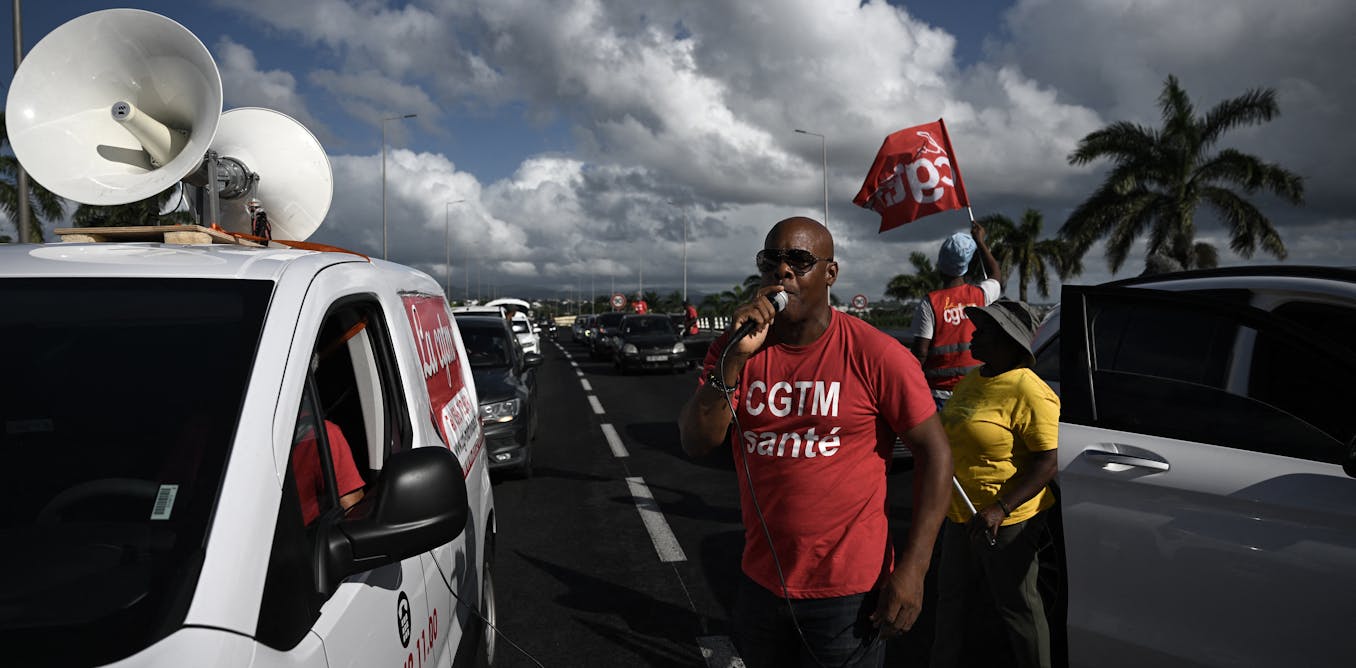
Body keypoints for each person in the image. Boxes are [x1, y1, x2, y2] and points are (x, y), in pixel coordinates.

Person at [678, 216, 953, 667]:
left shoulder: (876, 354)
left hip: (849, 594)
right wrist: (734, 358)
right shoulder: (738, 349)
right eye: (772, 260)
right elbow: (696, 442)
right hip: (760, 582)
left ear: (830, 274)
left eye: (799, 260)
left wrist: (915, 568)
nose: (782, 271)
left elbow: (935, 452)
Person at [930, 299, 1060, 668]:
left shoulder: (1029, 390)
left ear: (1008, 341)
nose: (973, 335)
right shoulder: (974, 379)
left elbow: (1046, 462)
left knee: (1017, 607)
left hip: (1006, 521)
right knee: (950, 599)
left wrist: (1000, 509)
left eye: (984, 331)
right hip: (960, 514)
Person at [910, 222, 1003, 411]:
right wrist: (981, 242)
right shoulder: (981, 295)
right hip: (976, 391)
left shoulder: (931, 303)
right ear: (966, 265)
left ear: (940, 264)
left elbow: (920, 353)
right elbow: (996, 275)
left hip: (939, 396)